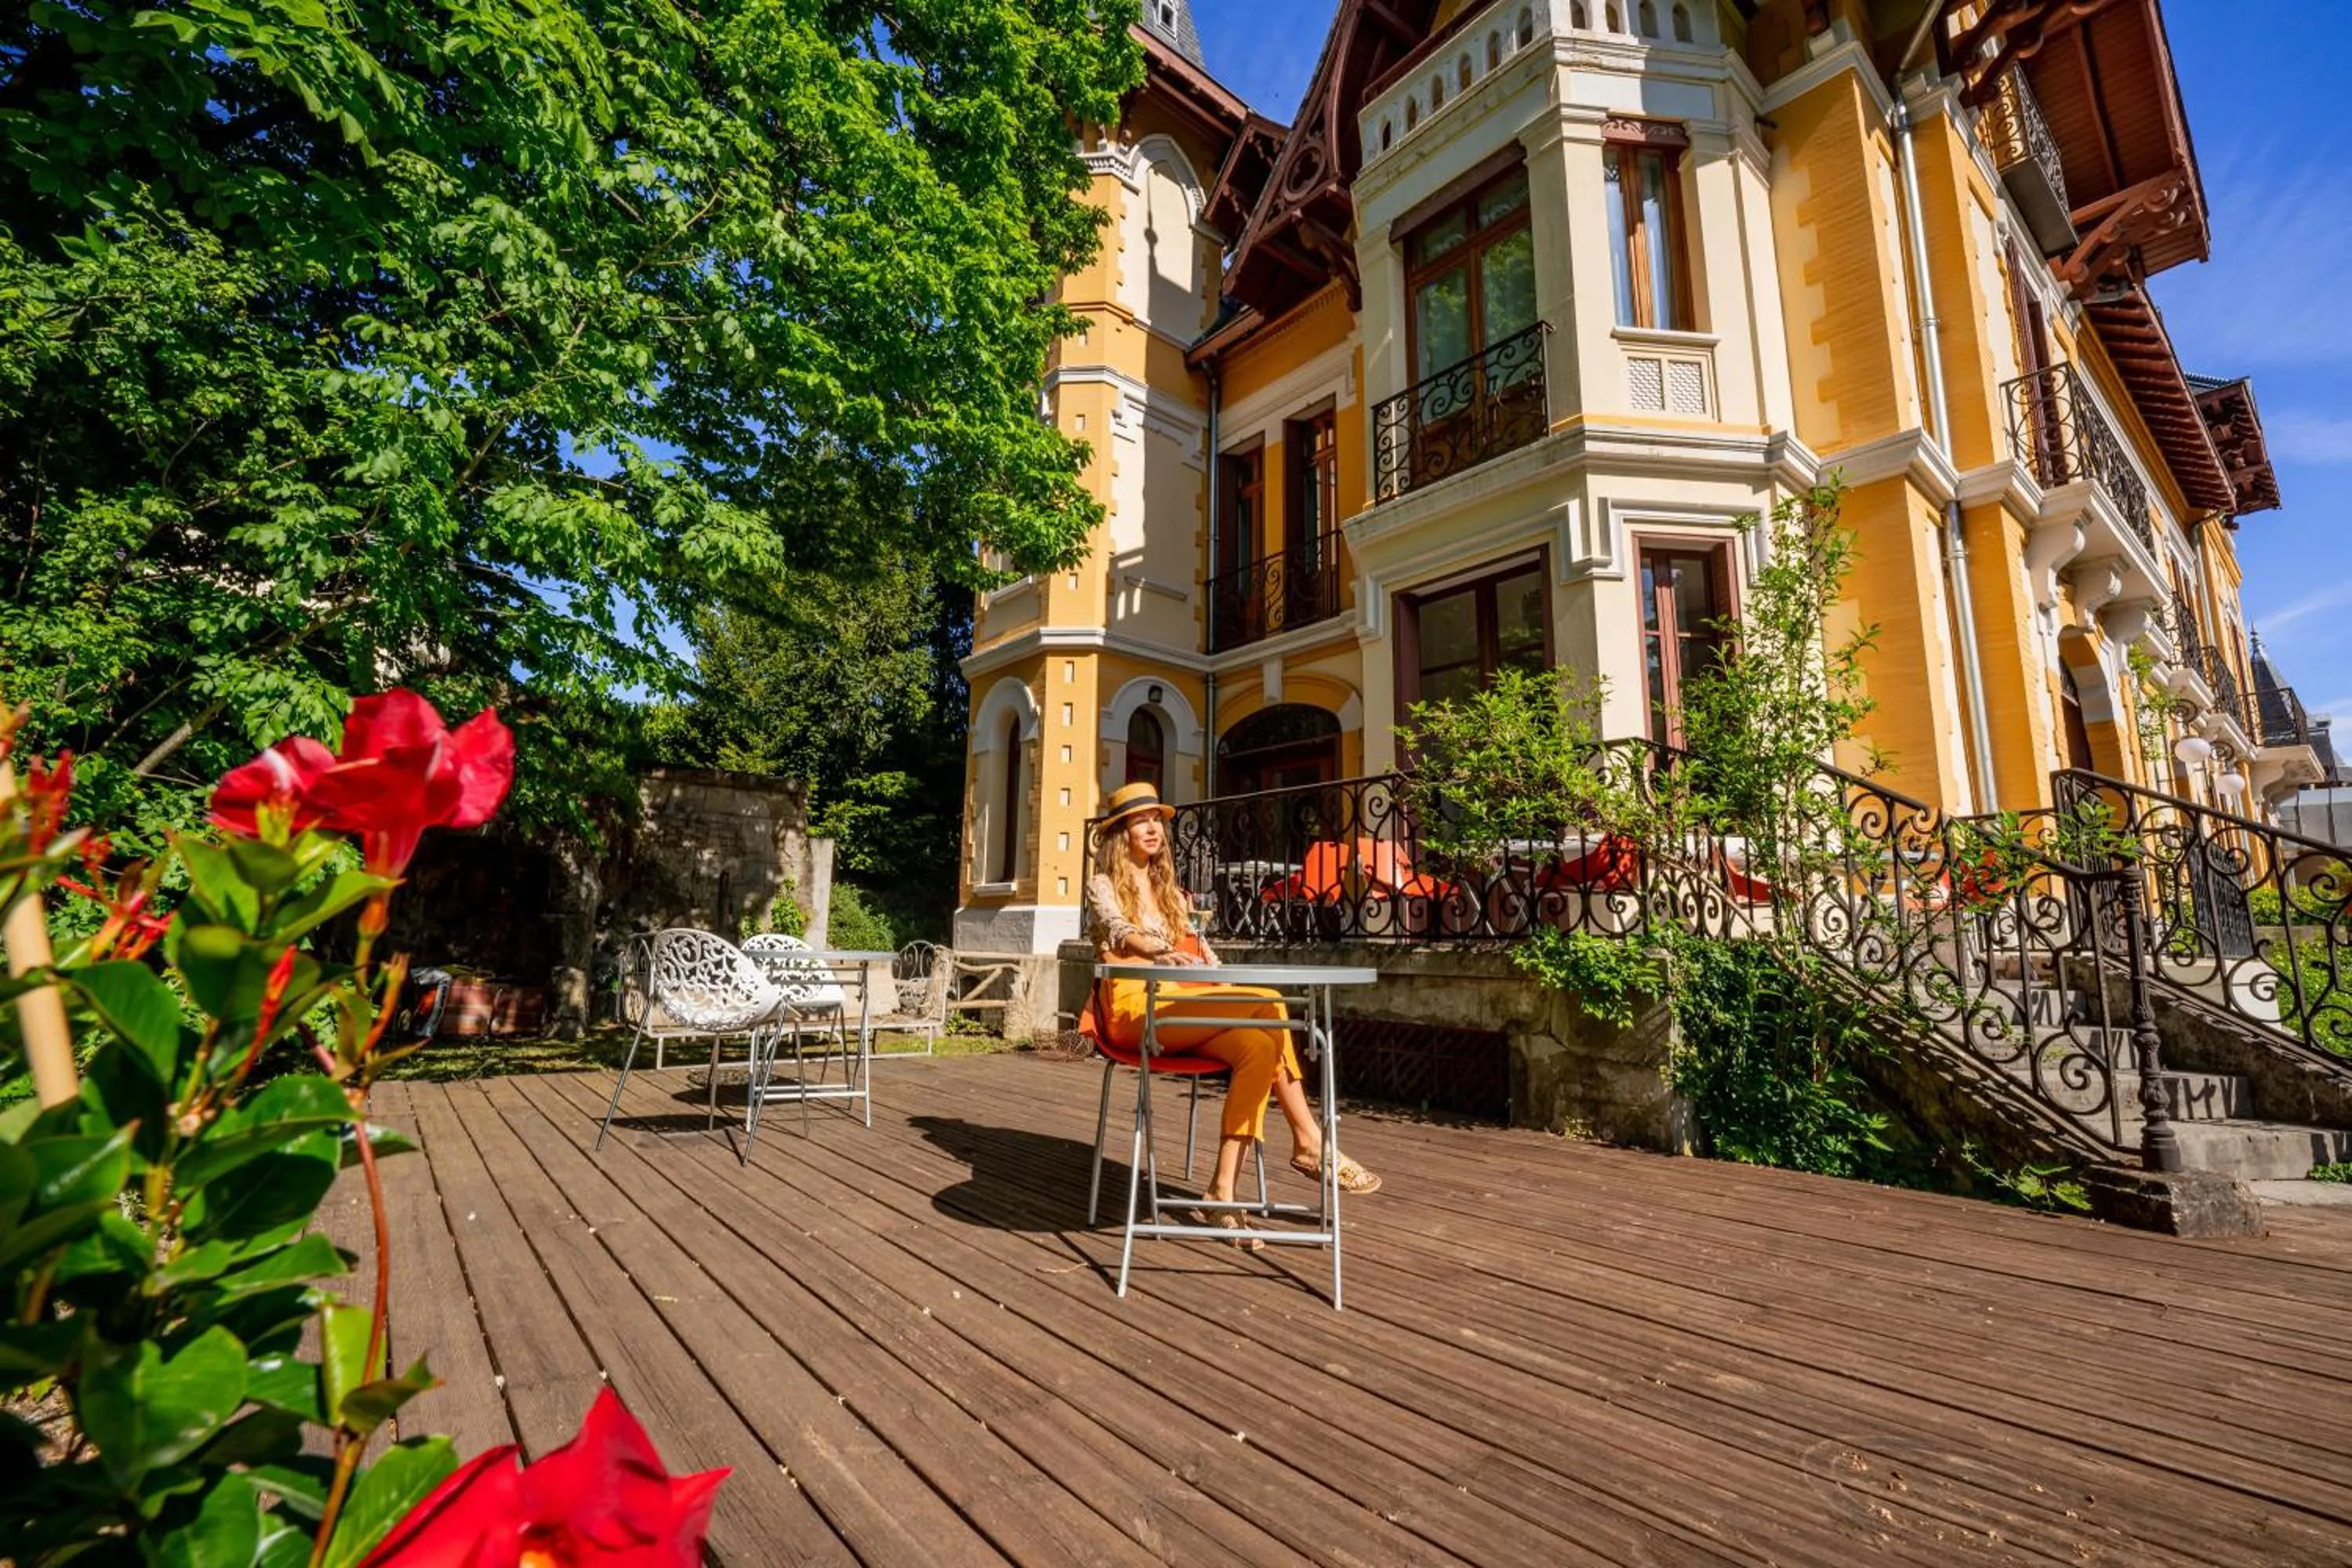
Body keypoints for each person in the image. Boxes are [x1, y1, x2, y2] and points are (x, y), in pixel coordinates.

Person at [1084, 780, 1379, 1248]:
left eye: (1157, 820)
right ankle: (1308, 1141)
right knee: (1270, 1001)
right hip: (1134, 1010)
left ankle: (1221, 1192)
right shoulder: (1102, 885)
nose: (1153, 828)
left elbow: (1204, 955)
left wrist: (1213, 971)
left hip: (1182, 1007)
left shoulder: (1171, 893)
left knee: (1259, 1045)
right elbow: (1119, 930)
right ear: (1121, 833)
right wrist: (1160, 953)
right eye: (1141, 821)